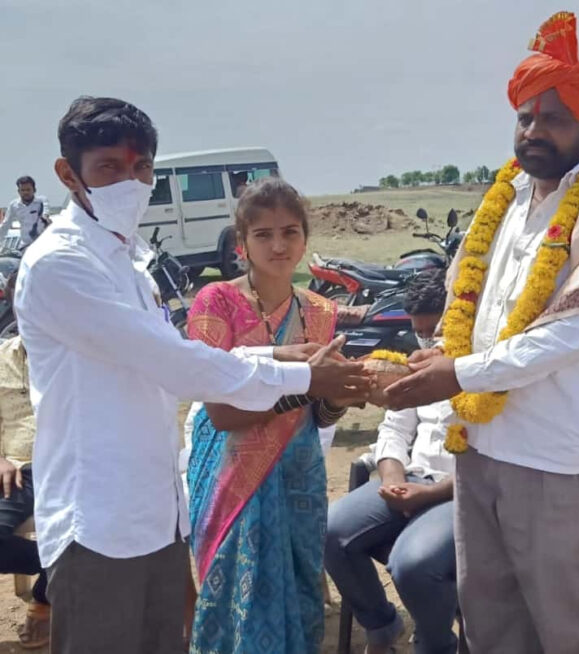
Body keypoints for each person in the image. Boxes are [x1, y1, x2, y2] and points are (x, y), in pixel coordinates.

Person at [13, 96, 370, 654]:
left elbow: (172, 354)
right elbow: (179, 365)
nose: (130, 183)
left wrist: (283, 359)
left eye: (141, 167)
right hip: (99, 521)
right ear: (68, 173)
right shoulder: (62, 264)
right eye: (109, 167)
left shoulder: (127, 261)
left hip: (156, 513)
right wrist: (302, 376)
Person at [385, 13, 579, 654]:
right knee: (489, 623)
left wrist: (458, 374)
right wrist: (435, 363)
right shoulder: (508, 199)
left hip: (558, 458)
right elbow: (469, 312)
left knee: (569, 632)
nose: (533, 130)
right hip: (481, 448)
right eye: (525, 117)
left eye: (554, 118)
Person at [186, 177, 355, 654]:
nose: (278, 246)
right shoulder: (215, 302)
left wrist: (343, 392)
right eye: (263, 235)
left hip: (299, 472)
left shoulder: (320, 312)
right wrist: (306, 381)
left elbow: (320, 415)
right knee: (234, 601)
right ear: (242, 244)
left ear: (304, 239)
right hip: (230, 471)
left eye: (289, 232)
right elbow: (221, 409)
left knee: (299, 591)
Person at [325, 269, 459, 654]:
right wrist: (392, 479)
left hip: (458, 492)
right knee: (330, 531)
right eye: (420, 333)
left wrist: (429, 494)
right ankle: (382, 625)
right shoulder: (415, 364)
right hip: (411, 480)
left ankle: (436, 645)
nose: (429, 342)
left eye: (435, 331)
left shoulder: (481, 369)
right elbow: (394, 428)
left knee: (411, 564)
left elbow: (491, 461)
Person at [0, 271, 50, 650]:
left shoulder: (73, 358)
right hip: (16, 472)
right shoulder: (1, 357)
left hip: (69, 467)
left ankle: (45, 596)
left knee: (99, 526)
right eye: (21, 299)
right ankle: (54, 568)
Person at [0, 176, 50, 247]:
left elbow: (45, 213)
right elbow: (6, 224)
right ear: (19, 191)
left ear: (34, 190)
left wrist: (45, 217)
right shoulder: (14, 205)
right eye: (23, 190)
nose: (26, 192)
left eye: (28, 190)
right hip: (25, 245)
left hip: (42, 243)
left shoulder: (41, 201)